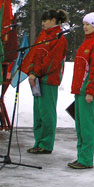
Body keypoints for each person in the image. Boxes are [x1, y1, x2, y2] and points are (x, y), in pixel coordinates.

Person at [23, 9, 69, 154]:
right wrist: (31, 70)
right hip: (36, 79)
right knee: (38, 113)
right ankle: (38, 141)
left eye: (45, 21)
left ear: (54, 21)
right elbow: (34, 54)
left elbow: (52, 61)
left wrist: (36, 72)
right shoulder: (43, 36)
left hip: (48, 80)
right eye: (42, 21)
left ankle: (46, 144)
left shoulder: (59, 38)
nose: (43, 24)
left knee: (47, 113)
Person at [68, 12, 94, 169]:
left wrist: (91, 90)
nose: (85, 27)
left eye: (88, 24)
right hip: (80, 89)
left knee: (87, 125)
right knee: (80, 125)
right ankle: (81, 156)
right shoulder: (86, 42)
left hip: (89, 89)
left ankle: (86, 159)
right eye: (84, 24)